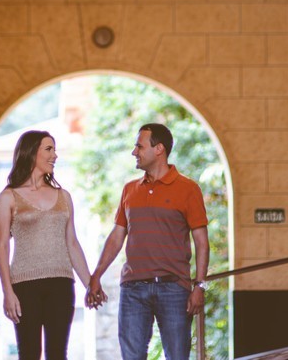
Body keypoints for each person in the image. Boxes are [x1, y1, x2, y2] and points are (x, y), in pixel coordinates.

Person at [85, 123, 209, 360]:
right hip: (133, 289)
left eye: (139, 146)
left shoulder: (188, 189)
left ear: (159, 149)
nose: (134, 152)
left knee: (178, 357)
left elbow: (202, 242)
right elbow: (116, 237)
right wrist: (96, 275)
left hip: (174, 288)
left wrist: (199, 286)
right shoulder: (130, 190)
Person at [0, 130, 93, 360]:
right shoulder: (8, 197)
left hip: (61, 284)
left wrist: (90, 284)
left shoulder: (64, 197)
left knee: (58, 354)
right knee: (29, 354)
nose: (55, 156)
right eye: (49, 149)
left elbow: (73, 243)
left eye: (55, 150)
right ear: (31, 153)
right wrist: (7, 292)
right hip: (24, 286)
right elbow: (2, 247)